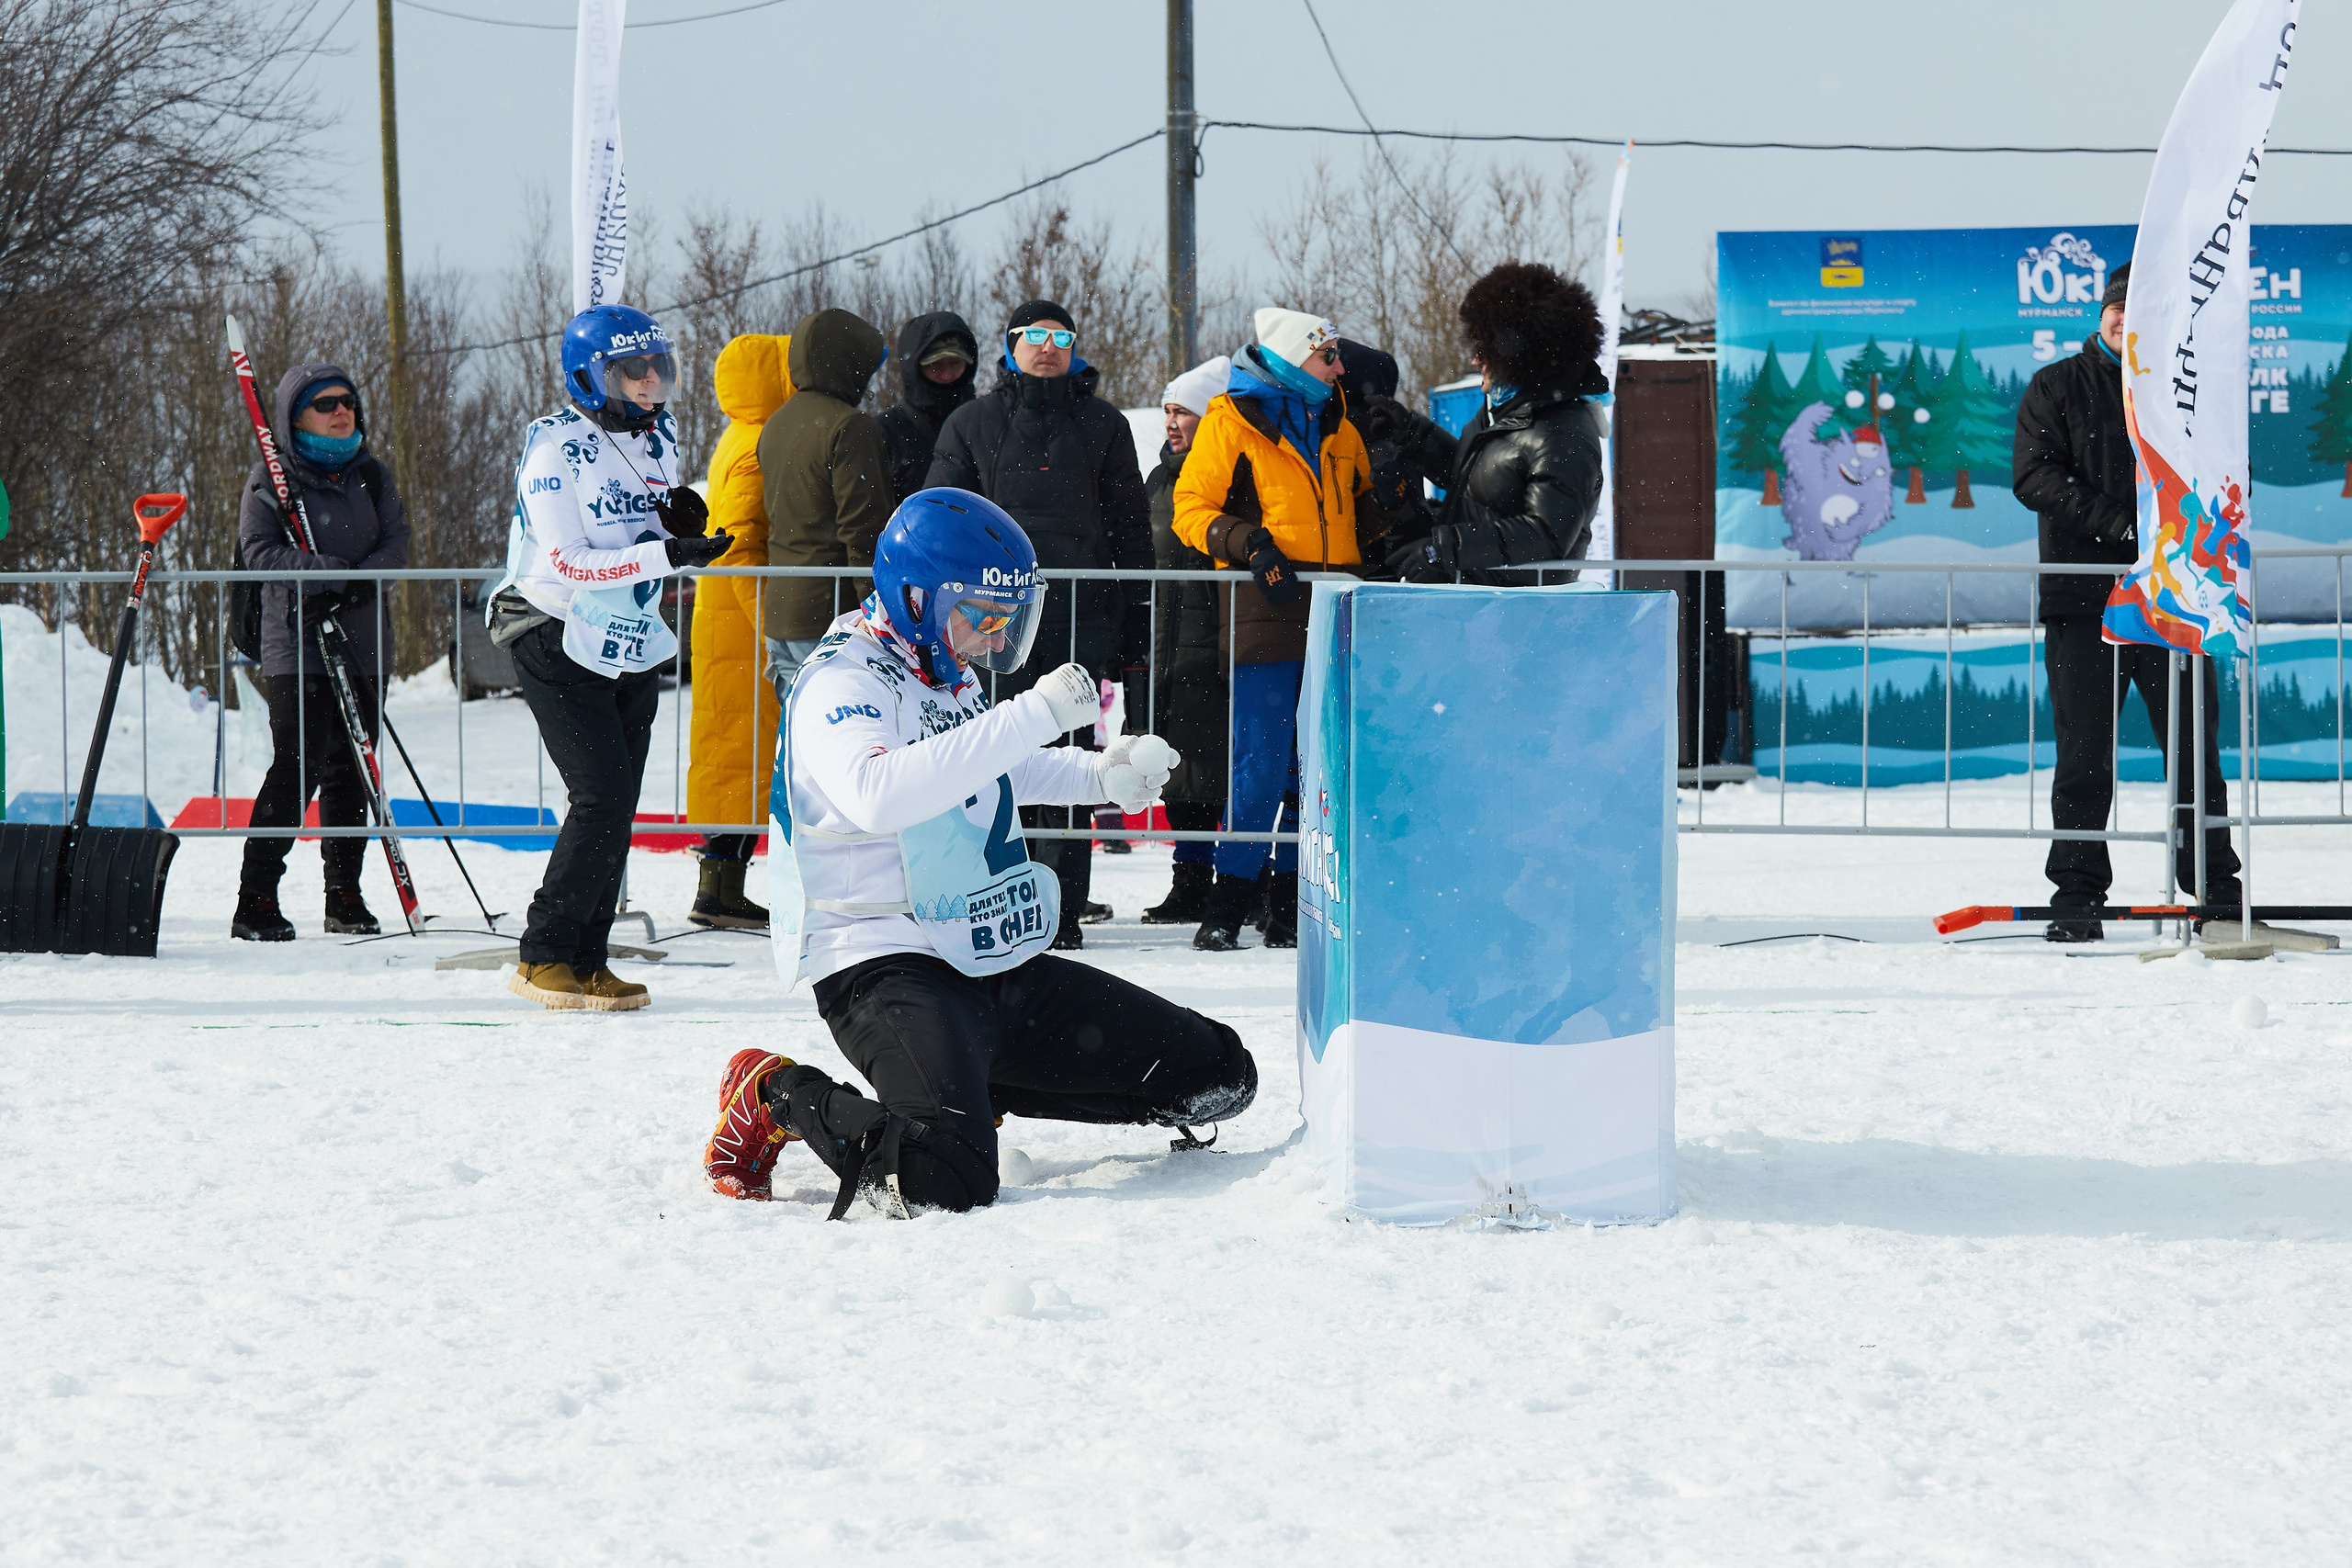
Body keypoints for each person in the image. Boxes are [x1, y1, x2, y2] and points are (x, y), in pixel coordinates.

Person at [701, 489, 1257, 1216]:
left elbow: (980, 765)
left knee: (1217, 1072)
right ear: (915, 596)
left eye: (1007, 620)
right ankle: (775, 1092)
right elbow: (876, 792)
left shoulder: (940, 668)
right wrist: (1031, 715)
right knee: (944, 1182)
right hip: (880, 962)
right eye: (983, 616)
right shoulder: (843, 678)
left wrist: (1097, 774)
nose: (995, 641)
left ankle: (964, 1081)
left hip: (977, 949)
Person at [486, 305, 732, 1010]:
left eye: (659, 368)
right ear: (593, 377)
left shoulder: (658, 440)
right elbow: (565, 559)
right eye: (633, 370)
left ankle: (588, 959)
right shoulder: (554, 448)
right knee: (598, 793)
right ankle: (542, 952)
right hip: (554, 624)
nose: (650, 383)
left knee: (620, 799)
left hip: (626, 630)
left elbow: (643, 525)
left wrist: (680, 524)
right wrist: (664, 552)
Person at [2013, 263, 2244, 942]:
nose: (2127, 318)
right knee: (2084, 753)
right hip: (2086, 601)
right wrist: (2122, 526)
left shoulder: (2184, 389)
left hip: (2176, 598)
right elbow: (2033, 475)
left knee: (2193, 749)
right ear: (2104, 312)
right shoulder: (2055, 384)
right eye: (2120, 306)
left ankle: (2214, 886)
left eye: (2143, 308)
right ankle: (2078, 894)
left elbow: (2219, 470)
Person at [926, 299, 1154, 947]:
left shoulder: (1105, 424)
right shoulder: (973, 423)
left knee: (1069, 766)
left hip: (1078, 624)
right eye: (1034, 337)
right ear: (1011, 345)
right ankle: (987, 892)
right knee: (987, 756)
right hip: (988, 626)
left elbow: (1130, 525)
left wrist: (1131, 614)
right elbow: (946, 521)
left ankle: (1061, 908)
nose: (1048, 347)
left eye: (1061, 337)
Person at [1173, 308, 1375, 951]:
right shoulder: (1231, 421)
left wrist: (1395, 507)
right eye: (1328, 357)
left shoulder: (1340, 421)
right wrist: (1252, 546)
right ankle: (1228, 901)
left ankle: (1292, 901)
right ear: (1291, 361)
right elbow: (1189, 510)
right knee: (1260, 763)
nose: (1340, 368)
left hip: (1337, 606)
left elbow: (1363, 508)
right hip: (1267, 604)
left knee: (1315, 764)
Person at [232, 363, 409, 942]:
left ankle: (344, 895)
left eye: (349, 402)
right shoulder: (272, 477)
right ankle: (255, 898)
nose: (342, 411)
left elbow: (397, 543)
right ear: (294, 416)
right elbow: (258, 552)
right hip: (297, 643)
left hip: (362, 644)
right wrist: (325, 573)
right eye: (326, 403)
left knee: (351, 772)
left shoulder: (372, 477)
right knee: (297, 765)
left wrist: (361, 579)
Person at [1374, 262, 1607, 583]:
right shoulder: (1504, 412)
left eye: (1483, 348)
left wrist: (1445, 550)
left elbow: (1546, 536)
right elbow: (1477, 483)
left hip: (1519, 613)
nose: (1475, 360)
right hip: (1482, 602)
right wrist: (1413, 434)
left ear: (1517, 354)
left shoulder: (1562, 433)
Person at [684, 331, 793, 931]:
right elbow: (742, 545)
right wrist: (770, 622)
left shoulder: (741, 435)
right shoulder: (756, 445)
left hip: (729, 622)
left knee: (737, 756)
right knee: (742, 759)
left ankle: (722, 883)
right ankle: (720, 888)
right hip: (743, 627)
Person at [758, 310, 891, 709]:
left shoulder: (776, 423)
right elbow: (864, 531)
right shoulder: (850, 427)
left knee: (799, 752)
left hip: (782, 614)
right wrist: (880, 615)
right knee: (846, 758)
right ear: (849, 364)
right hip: (832, 618)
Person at [1140, 355, 1231, 925]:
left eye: (1185, 413)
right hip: (1161, 641)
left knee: (1218, 767)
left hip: (1212, 639)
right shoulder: (1156, 478)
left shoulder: (1228, 477)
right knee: (1177, 770)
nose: (1172, 423)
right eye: (1168, 411)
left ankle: (1253, 879)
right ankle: (1191, 877)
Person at [876, 312, 977, 509]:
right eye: (934, 365)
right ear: (914, 368)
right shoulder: (886, 431)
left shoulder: (983, 423)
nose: (947, 374)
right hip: (909, 535)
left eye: (955, 363)